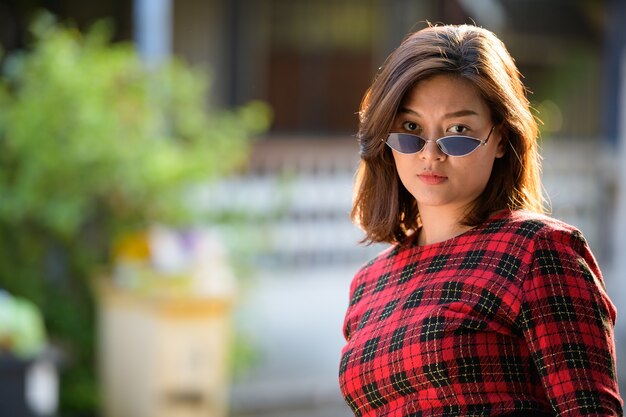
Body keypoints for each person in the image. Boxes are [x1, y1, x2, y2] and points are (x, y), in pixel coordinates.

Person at [339, 24, 623, 417]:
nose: (430, 153)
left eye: (458, 131)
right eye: (410, 129)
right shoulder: (369, 285)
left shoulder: (538, 251)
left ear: (502, 139)